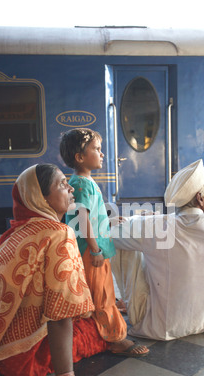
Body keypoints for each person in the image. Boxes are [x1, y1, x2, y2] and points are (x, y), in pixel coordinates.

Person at [0, 163, 111, 376]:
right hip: (25, 361)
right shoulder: (59, 234)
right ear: (41, 199)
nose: (70, 187)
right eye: (60, 184)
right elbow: (61, 315)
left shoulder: (15, 232)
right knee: (103, 328)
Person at [111, 159, 204, 341]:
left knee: (125, 244)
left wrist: (132, 221)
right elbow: (194, 218)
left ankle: (130, 306)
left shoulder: (157, 226)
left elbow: (111, 236)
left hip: (164, 327)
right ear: (200, 198)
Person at [60, 128, 149, 357]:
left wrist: (107, 222)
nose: (102, 154)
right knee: (102, 294)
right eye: (97, 150)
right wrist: (95, 248)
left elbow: (89, 217)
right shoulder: (83, 184)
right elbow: (82, 217)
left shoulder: (82, 181)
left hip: (93, 248)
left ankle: (103, 330)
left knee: (100, 291)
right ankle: (115, 338)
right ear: (80, 157)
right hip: (92, 252)